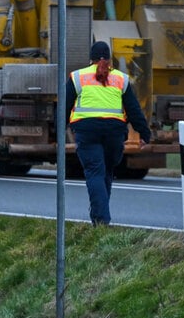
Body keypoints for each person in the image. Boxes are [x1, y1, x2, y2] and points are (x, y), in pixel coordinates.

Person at [65, 41, 152, 226]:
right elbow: (134, 109)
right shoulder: (121, 78)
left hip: (87, 131)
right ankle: (99, 216)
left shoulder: (77, 77)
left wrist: (60, 129)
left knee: (95, 172)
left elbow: (64, 107)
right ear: (109, 59)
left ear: (91, 59)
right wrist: (144, 133)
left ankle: (101, 219)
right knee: (106, 172)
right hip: (114, 132)